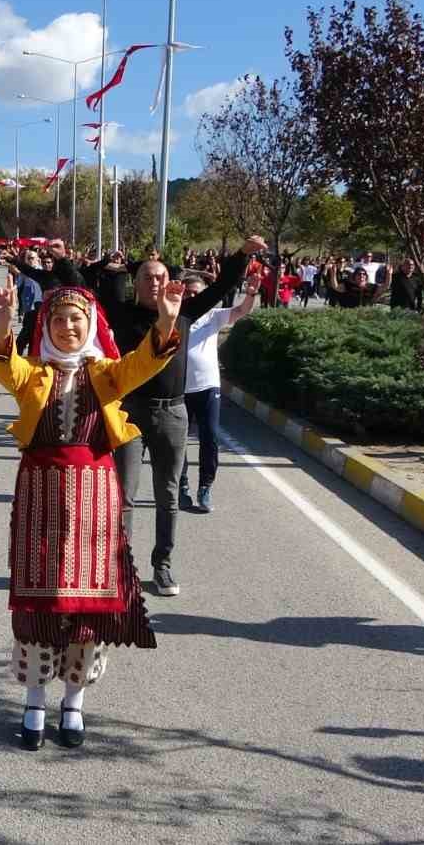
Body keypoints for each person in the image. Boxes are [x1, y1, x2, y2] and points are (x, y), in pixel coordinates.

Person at [0, 277, 181, 750]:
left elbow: (144, 362)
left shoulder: (106, 374)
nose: (68, 326)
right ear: (47, 327)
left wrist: (168, 320)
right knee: (38, 605)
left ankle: (73, 704)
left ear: (89, 324)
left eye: (76, 319)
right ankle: (34, 701)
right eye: (59, 319)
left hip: (94, 498)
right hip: (39, 496)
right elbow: (4, 365)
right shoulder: (34, 373)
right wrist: (3, 323)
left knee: (88, 607)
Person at [96, 236, 265, 597]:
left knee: (168, 496)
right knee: (123, 495)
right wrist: (109, 265)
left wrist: (243, 254)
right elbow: (93, 285)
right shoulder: (122, 311)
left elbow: (222, 286)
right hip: (127, 412)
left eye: (159, 277)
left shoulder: (184, 312)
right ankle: (119, 566)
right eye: (145, 276)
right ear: (135, 281)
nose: (153, 282)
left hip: (172, 412)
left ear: (169, 282)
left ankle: (163, 565)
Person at [179, 272, 260, 513]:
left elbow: (241, 312)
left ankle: (205, 487)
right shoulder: (175, 316)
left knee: (210, 437)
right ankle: (181, 486)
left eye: (197, 292)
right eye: (189, 292)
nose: (193, 296)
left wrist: (251, 293)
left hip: (207, 387)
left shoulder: (213, 316)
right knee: (177, 442)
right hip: (179, 390)